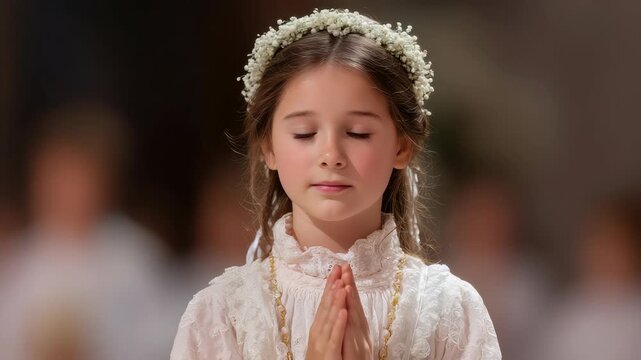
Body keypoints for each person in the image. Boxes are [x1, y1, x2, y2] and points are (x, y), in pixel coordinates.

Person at [170, 9, 501, 360]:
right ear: (269, 147)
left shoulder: (449, 311)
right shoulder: (222, 314)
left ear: (402, 146)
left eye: (357, 133)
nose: (331, 154)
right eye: (305, 133)